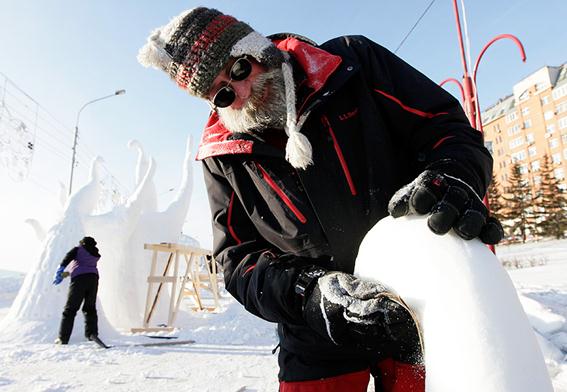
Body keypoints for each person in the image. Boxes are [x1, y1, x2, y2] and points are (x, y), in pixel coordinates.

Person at [138, 7, 503, 391]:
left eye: (240, 70)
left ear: (257, 49)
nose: (242, 93)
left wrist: (452, 177)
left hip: (418, 308)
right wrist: (307, 293)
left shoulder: (351, 64)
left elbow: (444, 128)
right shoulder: (221, 154)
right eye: (224, 93)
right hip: (317, 337)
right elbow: (237, 258)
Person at [53, 236, 101, 345]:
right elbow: (83, 266)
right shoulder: (95, 254)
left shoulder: (78, 250)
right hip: (93, 279)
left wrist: (60, 268)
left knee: (70, 309)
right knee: (90, 308)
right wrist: (67, 273)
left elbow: (67, 258)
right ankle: (92, 334)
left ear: (82, 243)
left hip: (79, 281)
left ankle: (63, 338)